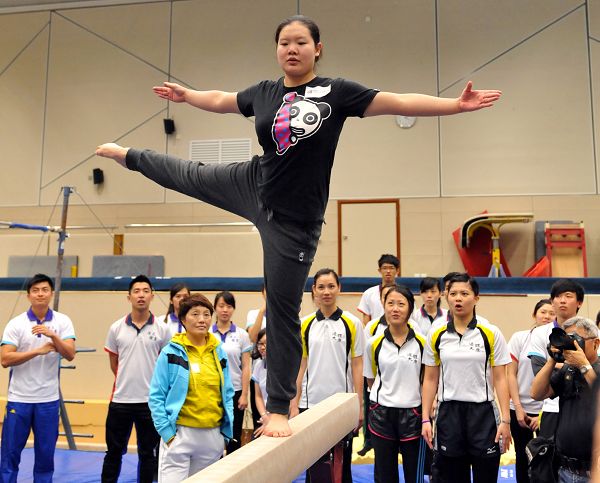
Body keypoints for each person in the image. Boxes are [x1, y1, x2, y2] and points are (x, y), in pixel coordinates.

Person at [95, 14, 501, 437]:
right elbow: (223, 99)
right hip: (255, 184)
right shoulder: (265, 92)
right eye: (285, 42)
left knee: (284, 308)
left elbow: (397, 101)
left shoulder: (337, 92)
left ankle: (277, 411)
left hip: (294, 223)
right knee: (191, 175)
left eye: (301, 42)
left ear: (317, 49)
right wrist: (187, 96)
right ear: (277, 50)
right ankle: (129, 156)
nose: (292, 49)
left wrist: (455, 105)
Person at [421, 273, 512, 483]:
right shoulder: (436, 333)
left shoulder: (490, 332)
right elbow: (430, 379)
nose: (458, 298)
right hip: (449, 415)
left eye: (464, 293)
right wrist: (426, 418)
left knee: (486, 477)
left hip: (483, 415)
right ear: (446, 297)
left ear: (476, 298)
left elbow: (500, 379)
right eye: (453, 294)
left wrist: (505, 420)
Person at [149, 293, 234, 482]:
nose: (202, 319)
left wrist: (224, 435)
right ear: (183, 319)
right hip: (180, 435)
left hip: (212, 437)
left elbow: (227, 393)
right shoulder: (170, 352)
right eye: (195, 314)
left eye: (206, 314)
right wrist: (167, 434)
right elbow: (156, 396)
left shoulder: (219, 352)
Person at [0, 273, 76, 483]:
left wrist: (53, 336)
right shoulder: (16, 324)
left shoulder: (63, 321)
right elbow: (5, 359)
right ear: (28, 296)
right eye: (35, 290)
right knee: (10, 455)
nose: (40, 294)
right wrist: (37, 351)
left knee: (45, 457)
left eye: (44, 290)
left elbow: (70, 354)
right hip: (19, 400)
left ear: (51, 293)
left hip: (48, 401)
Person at [291, 268, 364, 482]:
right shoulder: (305, 324)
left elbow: (357, 366)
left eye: (331, 286)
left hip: (340, 406)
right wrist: (294, 404)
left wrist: (358, 405)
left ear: (339, 288)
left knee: (342, 466)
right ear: (313, 290)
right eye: (321, 287)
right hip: (310, 403)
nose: (326, 291)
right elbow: (300, 366)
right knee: (314, 464)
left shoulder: (352, 323)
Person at [102, 275, 171, 483]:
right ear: (129, 297)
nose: (141, 295)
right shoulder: (116, 328)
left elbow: (165, 365)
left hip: (150, 403)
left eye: (145, 291)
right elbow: (114, 363)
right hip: (120, 402)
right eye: (136, 291)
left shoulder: (163, 329)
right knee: (113, 452)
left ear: (152, 295)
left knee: (148, 454)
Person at [364, 284, 428, 483]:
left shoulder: (423, 343)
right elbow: (371, 378)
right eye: (390, 303)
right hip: (381, 413)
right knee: (384, 475)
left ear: (410, 308)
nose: (395, 308)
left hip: (413, 414)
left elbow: (427, 379)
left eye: (401, 304)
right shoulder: (373, 343)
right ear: (383, 306)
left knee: (413, 474)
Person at [531, 316, 600, 482]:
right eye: (567, 340)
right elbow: (537, 393)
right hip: (565, 469)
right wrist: (552, 360)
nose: (571, 345)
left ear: (596, 343)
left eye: (575, 339)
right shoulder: (567, 370)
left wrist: (584, 366)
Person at [527, 279, 585, 439]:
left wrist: (556, 365)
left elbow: (594, 372)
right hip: (551, 409)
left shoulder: (590, 333)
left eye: (568, 296)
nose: (563, 300)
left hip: (584, 408)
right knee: (548, 459)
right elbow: (539, 372)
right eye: (558, 296)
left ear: (579, 302)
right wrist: (577, 365)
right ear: (552, 302)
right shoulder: (539, 333)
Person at [507, 298, 555, 483]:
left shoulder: (559, 341)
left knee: (548, 457)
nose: (547, 316)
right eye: (543, 312)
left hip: (548, 411)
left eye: (552, 313)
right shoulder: (520, 337)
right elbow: (510, 374)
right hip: (519, 410)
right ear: (534, 314)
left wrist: (542, 414)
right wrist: (518, 407)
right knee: (522, 456)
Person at [209, 291, 252, 453]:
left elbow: (246, 366)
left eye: (229, 306)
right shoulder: (207, 334)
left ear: (233, 309)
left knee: (233, 437)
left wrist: (244, 394)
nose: (225, 310)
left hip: (235, 392)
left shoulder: (242, 335)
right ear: (215, 308)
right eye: (221, 306)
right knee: (214, 435)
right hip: (212, 391)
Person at [357, 254, 400, 325]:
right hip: (376, 334)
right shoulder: (369, 293)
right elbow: (366, 320)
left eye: (391, 268)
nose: (388, 271)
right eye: (385, 268)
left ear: (397, 270)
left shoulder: (405, 294)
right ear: (379, 270)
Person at [251, 328, 268, 437]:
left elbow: (289, 398)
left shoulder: (283, 366)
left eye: (267, 343)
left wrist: (271, 419)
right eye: (260, 343)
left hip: (282, 416)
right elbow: (258, 396)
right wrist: (264, 416)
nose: (262, 347)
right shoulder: (258, 365)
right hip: (264, 416)